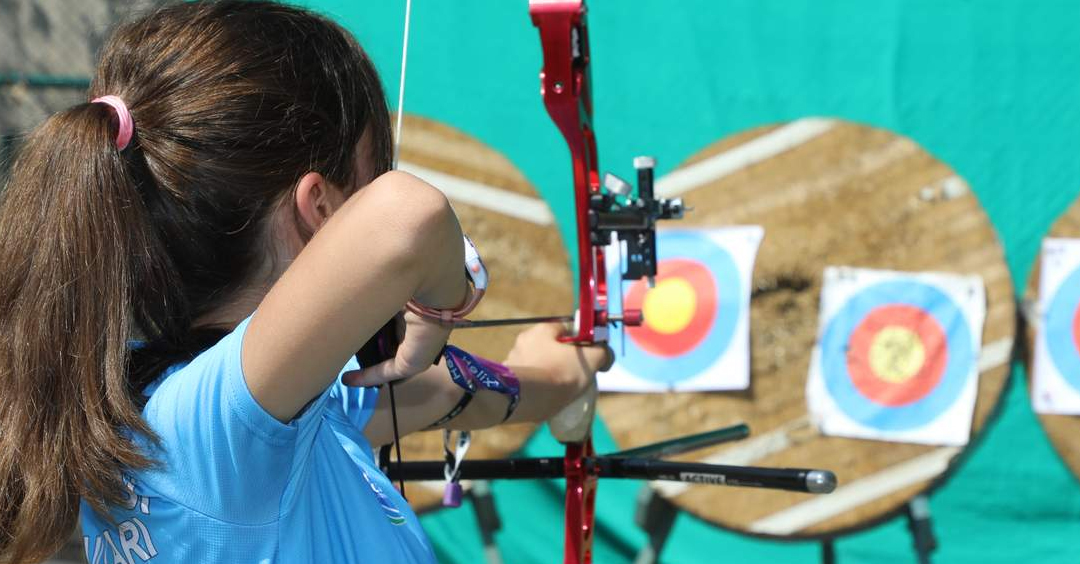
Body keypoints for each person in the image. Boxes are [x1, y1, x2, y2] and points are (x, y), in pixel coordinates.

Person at [0, 2, 609, 562]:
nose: (381, 186)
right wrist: (446, 299)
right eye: (372, 174)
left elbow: (435, 391)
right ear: (319, 209)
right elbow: (406, 218)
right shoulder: (211, 427)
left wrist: (559, 378)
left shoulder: (148, 398)